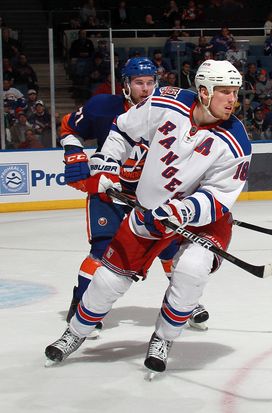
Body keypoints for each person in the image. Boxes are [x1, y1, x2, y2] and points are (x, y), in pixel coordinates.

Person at [45, 59, 252, 375]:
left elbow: (218, 197)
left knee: (191, 269)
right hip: (149, 210)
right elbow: (125, 128)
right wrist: (108, 161)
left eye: (235, 92)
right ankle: (74, 333)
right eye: (225, 91)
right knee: (108, 279)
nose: (232, 99)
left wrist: (180, 211)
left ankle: (164, 338)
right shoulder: (167, 101)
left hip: (204, 219)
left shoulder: (236, 141)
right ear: (204, 92)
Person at [56, 57, 210, 340]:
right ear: (126, 85)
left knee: (168, 247)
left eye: (151, 82)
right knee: (103, 250)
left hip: (152, 196)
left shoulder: (169, 111)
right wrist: (74, 154)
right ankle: (80, 307)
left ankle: (183, 303)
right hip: (110, 192)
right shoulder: (102, 108)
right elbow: (68, 128)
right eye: (139, 83)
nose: (146, 88)